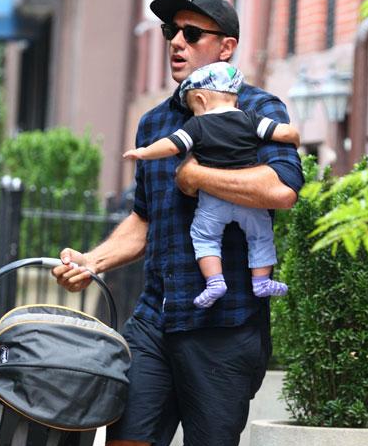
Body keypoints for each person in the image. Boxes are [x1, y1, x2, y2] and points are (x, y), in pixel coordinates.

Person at [53, 0, 303, 446]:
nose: (177, 43)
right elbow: (143, 216)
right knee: (124, 444)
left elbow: (281, 189)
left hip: (226, 324)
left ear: (226, 47)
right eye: (171, 31)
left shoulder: (260, 110)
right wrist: (95, 260)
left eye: (193, 33)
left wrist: (200, 175)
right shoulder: (153, 121)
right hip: (156, 315)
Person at [123, 60, 300, 307]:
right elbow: (283, 133)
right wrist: (296, 136)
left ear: (202, 101)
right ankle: (261, 282)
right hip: (246, 199)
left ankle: (214, 281)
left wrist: (143, 152)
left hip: (213, 201)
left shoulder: (196, 125)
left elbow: (172, 144)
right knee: (260, 236)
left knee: (204, 236)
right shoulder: (250, 119)